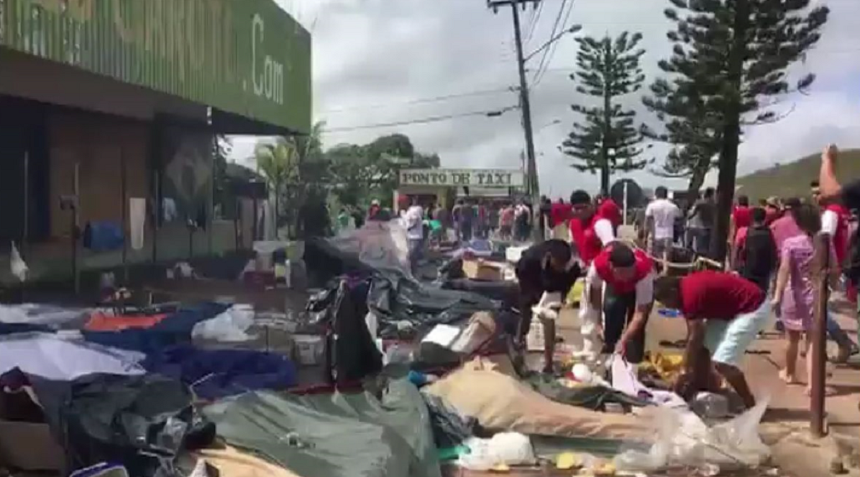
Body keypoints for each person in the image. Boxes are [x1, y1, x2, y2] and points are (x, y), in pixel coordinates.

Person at [654, 270, 771, 408]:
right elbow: (695, 337)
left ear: (673, 292)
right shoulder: (685, 289)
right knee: (702, 347)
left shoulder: (690, 295)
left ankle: (749, 403)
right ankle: (706, 386)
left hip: (752, 307)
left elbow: (695, 335)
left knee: (723, 363)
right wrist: (688, 369)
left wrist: (684, 370)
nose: (670, 307)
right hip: (731, 310)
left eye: (668, 302)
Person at [772, 203, 841, 394]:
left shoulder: (791, 244)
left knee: (791, 338)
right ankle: (813, 384)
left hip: (793, 294)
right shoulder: (825, 242)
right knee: (813, 342)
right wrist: (833, 287)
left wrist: (777, 295)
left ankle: (789, 372)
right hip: (816, 295)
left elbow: (784, 270)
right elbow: (834, 269)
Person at [515, 239, 581, 373]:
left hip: (554, 290)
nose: (561, 268)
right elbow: (522, 275)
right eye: (558, 265)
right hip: (532, 282)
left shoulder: (573, 268)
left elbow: (567, 287)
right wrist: (535, 295)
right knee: (525, 315)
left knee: (549, 320)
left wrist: (560, 299)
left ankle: (548, 363)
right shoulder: (531, 259)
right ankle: (519, 343)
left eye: (563, 266)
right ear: (549, 258)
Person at [585, 242, 655, 362]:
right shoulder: (598, 266)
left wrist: (625, 339)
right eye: (623, 273)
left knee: (635, 334)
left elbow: (641, 313)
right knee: (612, 309)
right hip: (615, 286)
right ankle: (610, 354)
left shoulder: (644, 271)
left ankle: (633, 362)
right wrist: (597, 323)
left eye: (630, 272)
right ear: (611, 267)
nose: (627, 276)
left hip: (638, 287)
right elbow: (594, 296)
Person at [568, 190, 617, 358]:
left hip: (605, 272)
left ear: (591, 206)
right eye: (577, 208)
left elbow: (610, 246)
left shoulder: (600, 223)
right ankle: (589, 347)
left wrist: (600, 266)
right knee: (587, 310)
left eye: (584, 207)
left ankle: (609, 347)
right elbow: (574, 247)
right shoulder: (573, 225)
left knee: (605, 311)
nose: (580, 211)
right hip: (588, 272)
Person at [735, 207, 777, 292]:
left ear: (751, 218)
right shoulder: (769, 232)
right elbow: (773, 252)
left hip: (748, 270)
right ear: (765, 218)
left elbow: (737, 251)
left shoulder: (745, 232)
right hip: (764, 273)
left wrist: (735, 267)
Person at [645, 186, 680, 261]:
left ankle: (653, 270)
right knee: (666, 255)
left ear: (656, 194)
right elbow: (679, 216)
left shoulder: (652, 205)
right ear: (666, 195)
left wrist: (645, 233)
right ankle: (665, 270)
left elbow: (647, 220)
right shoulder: (673, 206)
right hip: (668, 233)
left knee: (651, 255)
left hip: (654, 233)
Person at [687, 188, 715, 256]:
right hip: (707, 228)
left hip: (702, 227)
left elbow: (692, 214)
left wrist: (688, 218)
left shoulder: (700, 203)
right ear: (711, 195)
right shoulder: (713, 204)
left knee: (701, 249)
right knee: (705, 249)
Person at [402, 198, 425, 275]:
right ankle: (412, 274)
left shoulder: (414, 211)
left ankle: (413, 274)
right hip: (411, 237)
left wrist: (407, 228)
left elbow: (414, 222)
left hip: (414, 237)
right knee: (411, 258)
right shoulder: (408, 212)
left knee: (412, 257)